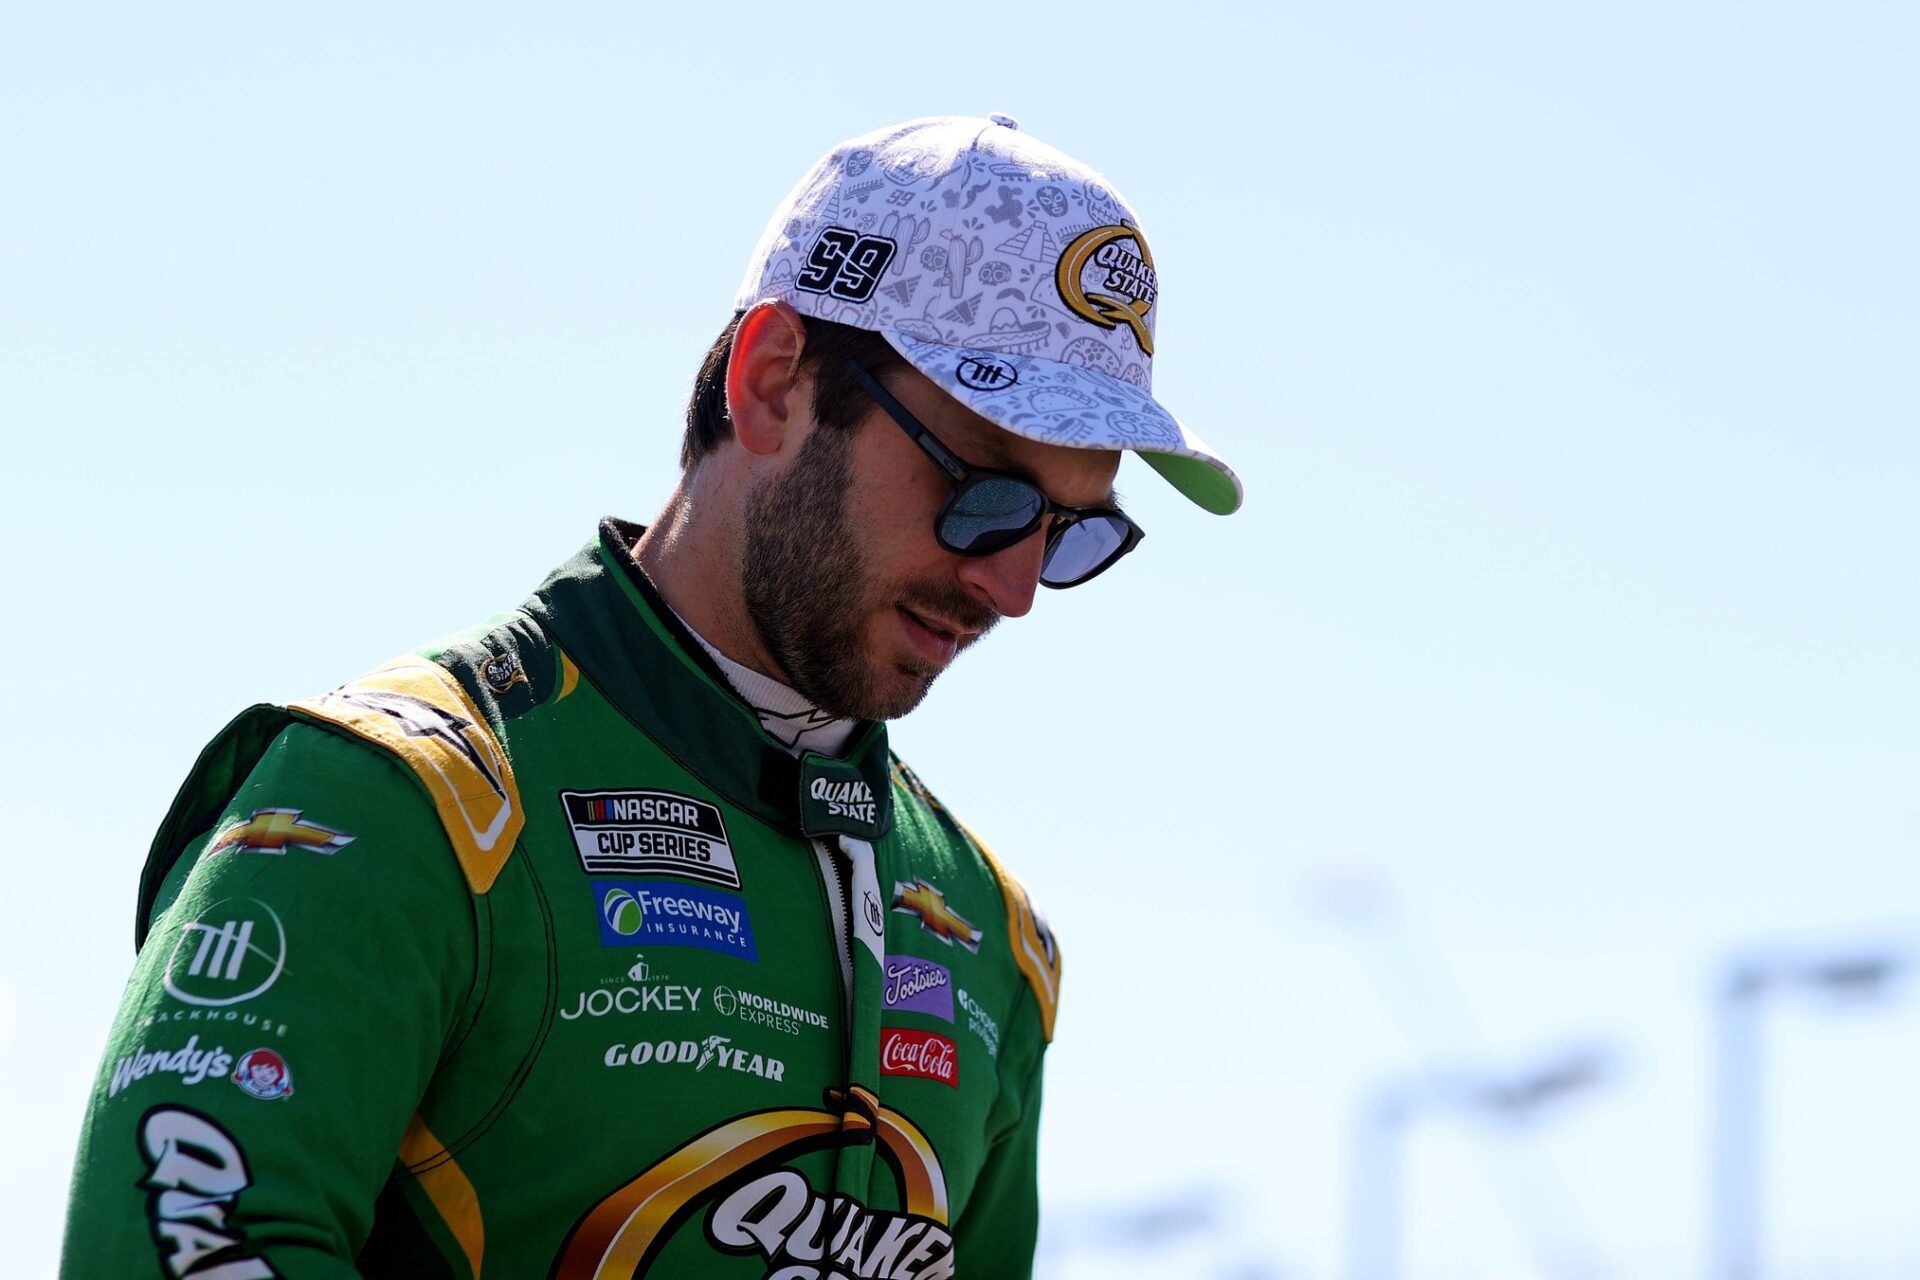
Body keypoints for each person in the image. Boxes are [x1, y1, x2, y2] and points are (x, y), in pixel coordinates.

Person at [60, 114, 1242, 1279]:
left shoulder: (988, 930)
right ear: (773, 382)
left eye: (1073, 531)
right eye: (984, 493)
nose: (1015, 586)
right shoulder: (400, 798)